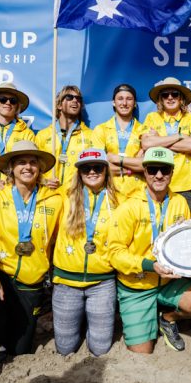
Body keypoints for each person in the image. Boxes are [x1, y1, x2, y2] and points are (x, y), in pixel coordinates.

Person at [0, 140, 62, 378]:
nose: (28, 167)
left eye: (33, 162)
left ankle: (8, 337)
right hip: (0, 272)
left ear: (40, 168)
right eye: (21, 162)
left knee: (20, 349)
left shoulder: (55, 198)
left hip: (31, 281)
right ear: (10, 167)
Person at [109, 147, 191, 354]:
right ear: (144, 172)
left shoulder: (180, 202)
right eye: (153, 169)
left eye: (164, 170)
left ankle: (167, 319)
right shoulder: (129, 207)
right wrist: (149, 265)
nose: (158, 175)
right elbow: (115, 252)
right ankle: (144, 316)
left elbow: (183, 241)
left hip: (168, 281)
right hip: (137, 285)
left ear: (172, 173)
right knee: (142, 352)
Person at [51, 148, 118, 357]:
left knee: (100, 349)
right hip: (66, 282)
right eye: (86, 168)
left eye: (97, 167)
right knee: (65, 348)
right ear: (78, 172)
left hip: (102, 283)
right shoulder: (63, 194)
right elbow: (30, 190)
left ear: (106, 170)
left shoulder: (120, 199)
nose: (92, 172)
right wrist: (3, 183)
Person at [141, 77, 191, 208]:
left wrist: (158, 140)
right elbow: (146, 144)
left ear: (181, 98)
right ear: (160, 99)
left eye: (174, 94)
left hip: (185, 185)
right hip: (158, 181)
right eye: (165, 95)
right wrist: (179, 136)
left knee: (184, 226)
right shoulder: (151, 117)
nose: (170, 98)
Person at [92, 84, 145, 201]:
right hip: (108, 192)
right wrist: (131, 167)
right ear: (113, 103)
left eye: (129, 99)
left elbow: (145, 165)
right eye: (120, 99)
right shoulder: (100, 129)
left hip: (137, 193)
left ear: (135, 103)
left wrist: (113, 158)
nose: (124, 103)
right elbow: (98, 167)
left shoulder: (144, 130)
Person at [35, 85, 93, 193]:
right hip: (48, 195)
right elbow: (31, 167)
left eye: (78, 98)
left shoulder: (90, 136)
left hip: (75, 197)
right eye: (69, 97)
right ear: (59, 105)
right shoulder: (43, 135)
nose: (75, 100)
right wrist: (44, 181)